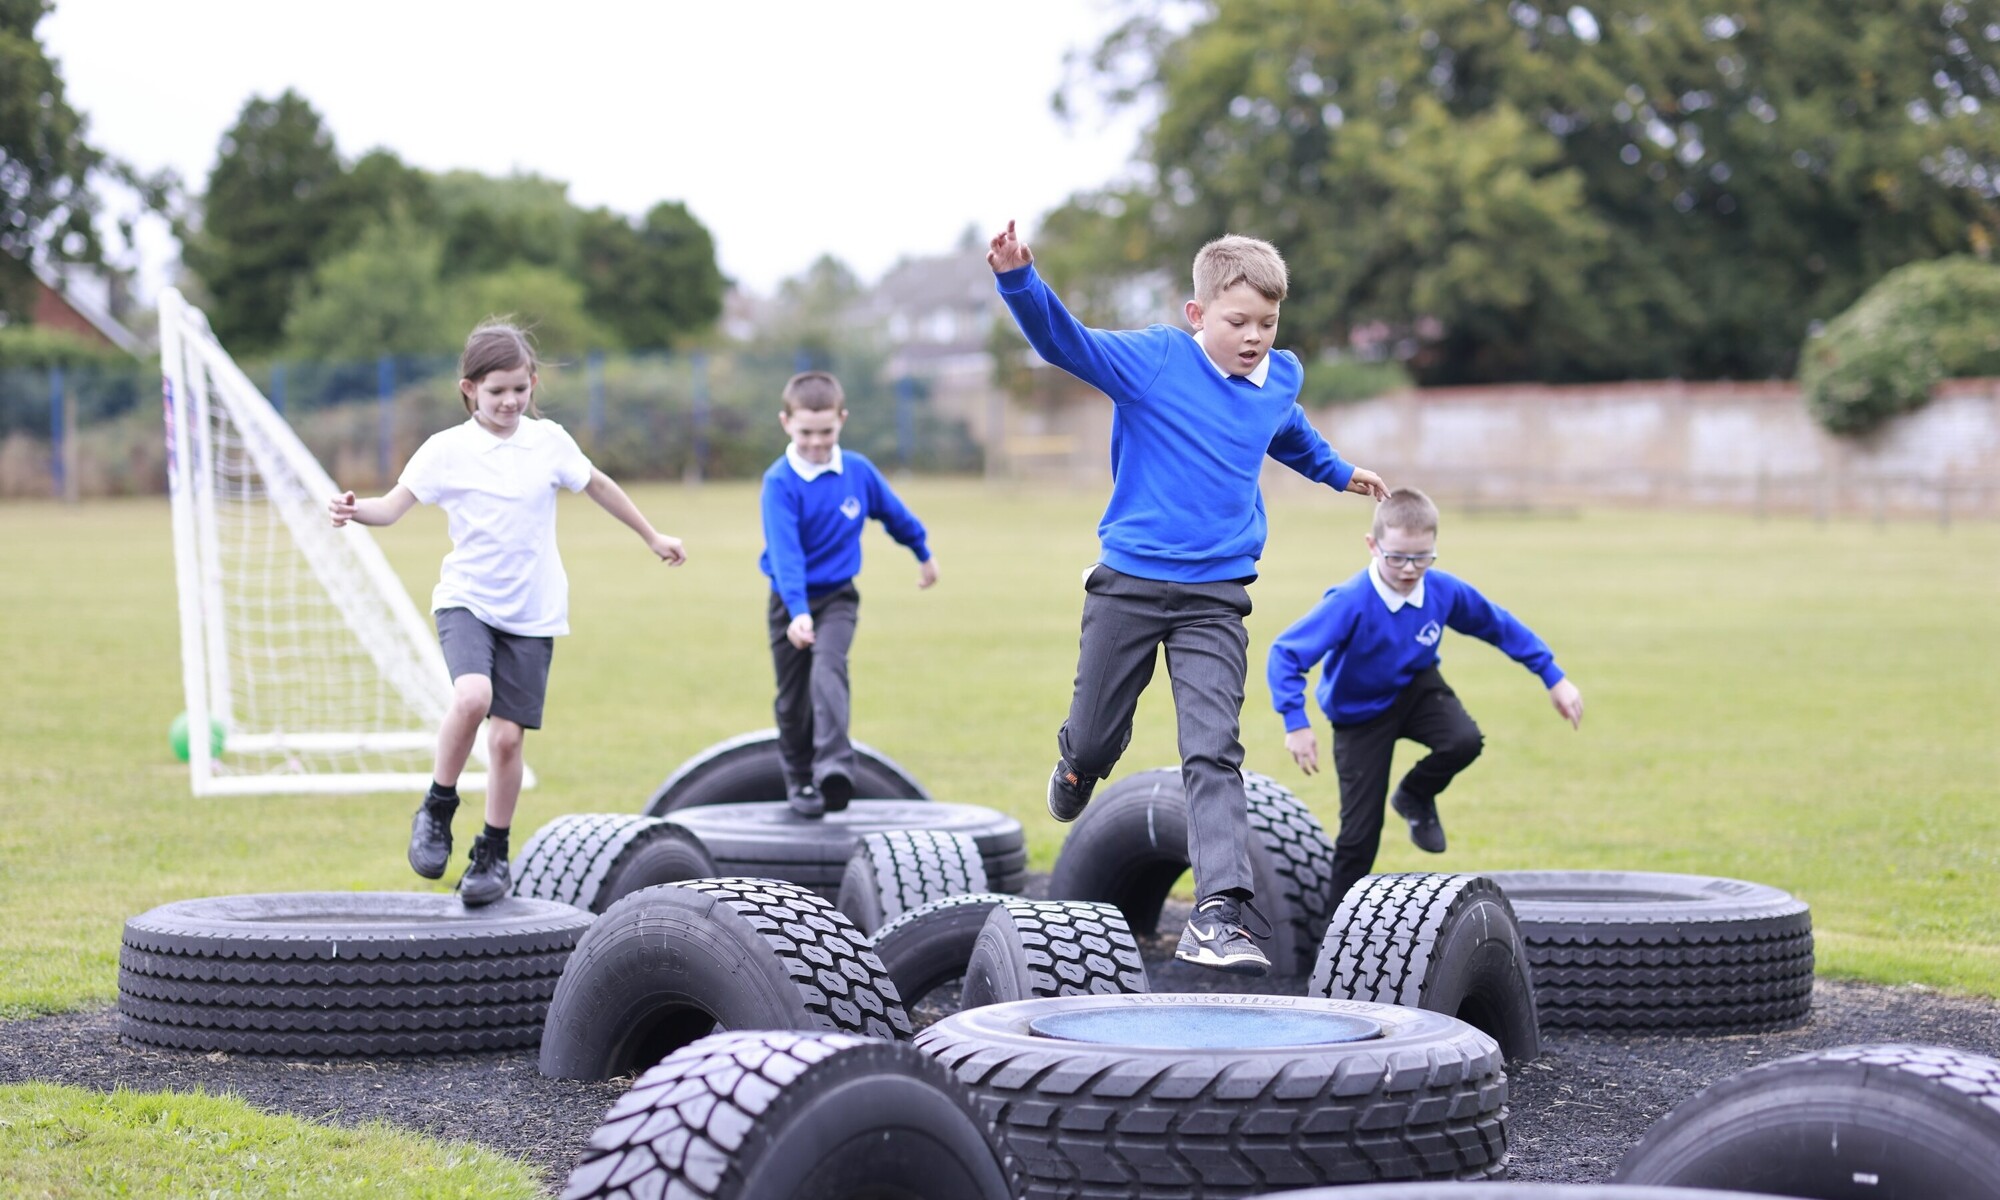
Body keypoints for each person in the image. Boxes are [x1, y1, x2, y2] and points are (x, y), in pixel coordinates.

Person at [986, 220, 1388, 975]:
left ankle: (1218, 913)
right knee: (1101, 736)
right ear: (1197, 314)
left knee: (1213, 750)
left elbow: (1286, 429)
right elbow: (1064, 342)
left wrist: (1337, 471)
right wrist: (1019, 279)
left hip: (1215, 597)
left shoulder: (1281, 375)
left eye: (1268, 323)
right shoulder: (1155, 361)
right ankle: (1077, 765)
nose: (1255, 337)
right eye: (1238, 322)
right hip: (1129, 585)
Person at [328, 322, 686, 905]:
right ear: (469, 389)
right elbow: (392, 508)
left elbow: (597, 485)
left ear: (533, 382)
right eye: (497, 391)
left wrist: (651, 534)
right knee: (472, 698)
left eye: (520, 389)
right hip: (467, 600)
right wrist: (354, 509)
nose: (510, 402)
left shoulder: (549, 443)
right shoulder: (446, 450)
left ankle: (493, 852)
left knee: (506, 743)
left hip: (533, 612)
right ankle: (437, 809)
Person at [1266, 487, 1584, 907]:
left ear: (1434, 548)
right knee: (1360, 834)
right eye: (1396, 556)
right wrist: (1297, 723)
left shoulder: (1442, 590)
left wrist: (1553, 676)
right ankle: (1332, 941)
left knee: (1463, 741)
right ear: (1372, 545)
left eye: (1422, 557)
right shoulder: (1350, 601)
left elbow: (1498, 625)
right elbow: (1285, 654)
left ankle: (1415, 795)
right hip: (1359, 713)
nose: (1410, 568)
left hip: (1415, 688)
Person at [759, 370, 937, 817]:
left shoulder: (857, 471)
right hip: (789, 602)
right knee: (793, 698)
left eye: (826, 432)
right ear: (786, 423)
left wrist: (922, 553)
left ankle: (834, 769)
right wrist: (797, 612)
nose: (816, 443)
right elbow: (786, 555)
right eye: (805, 433)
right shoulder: (779, 482)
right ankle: (799, 779)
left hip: (838, 597)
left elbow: (895, 515)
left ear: (842, 419)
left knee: (829, 669)